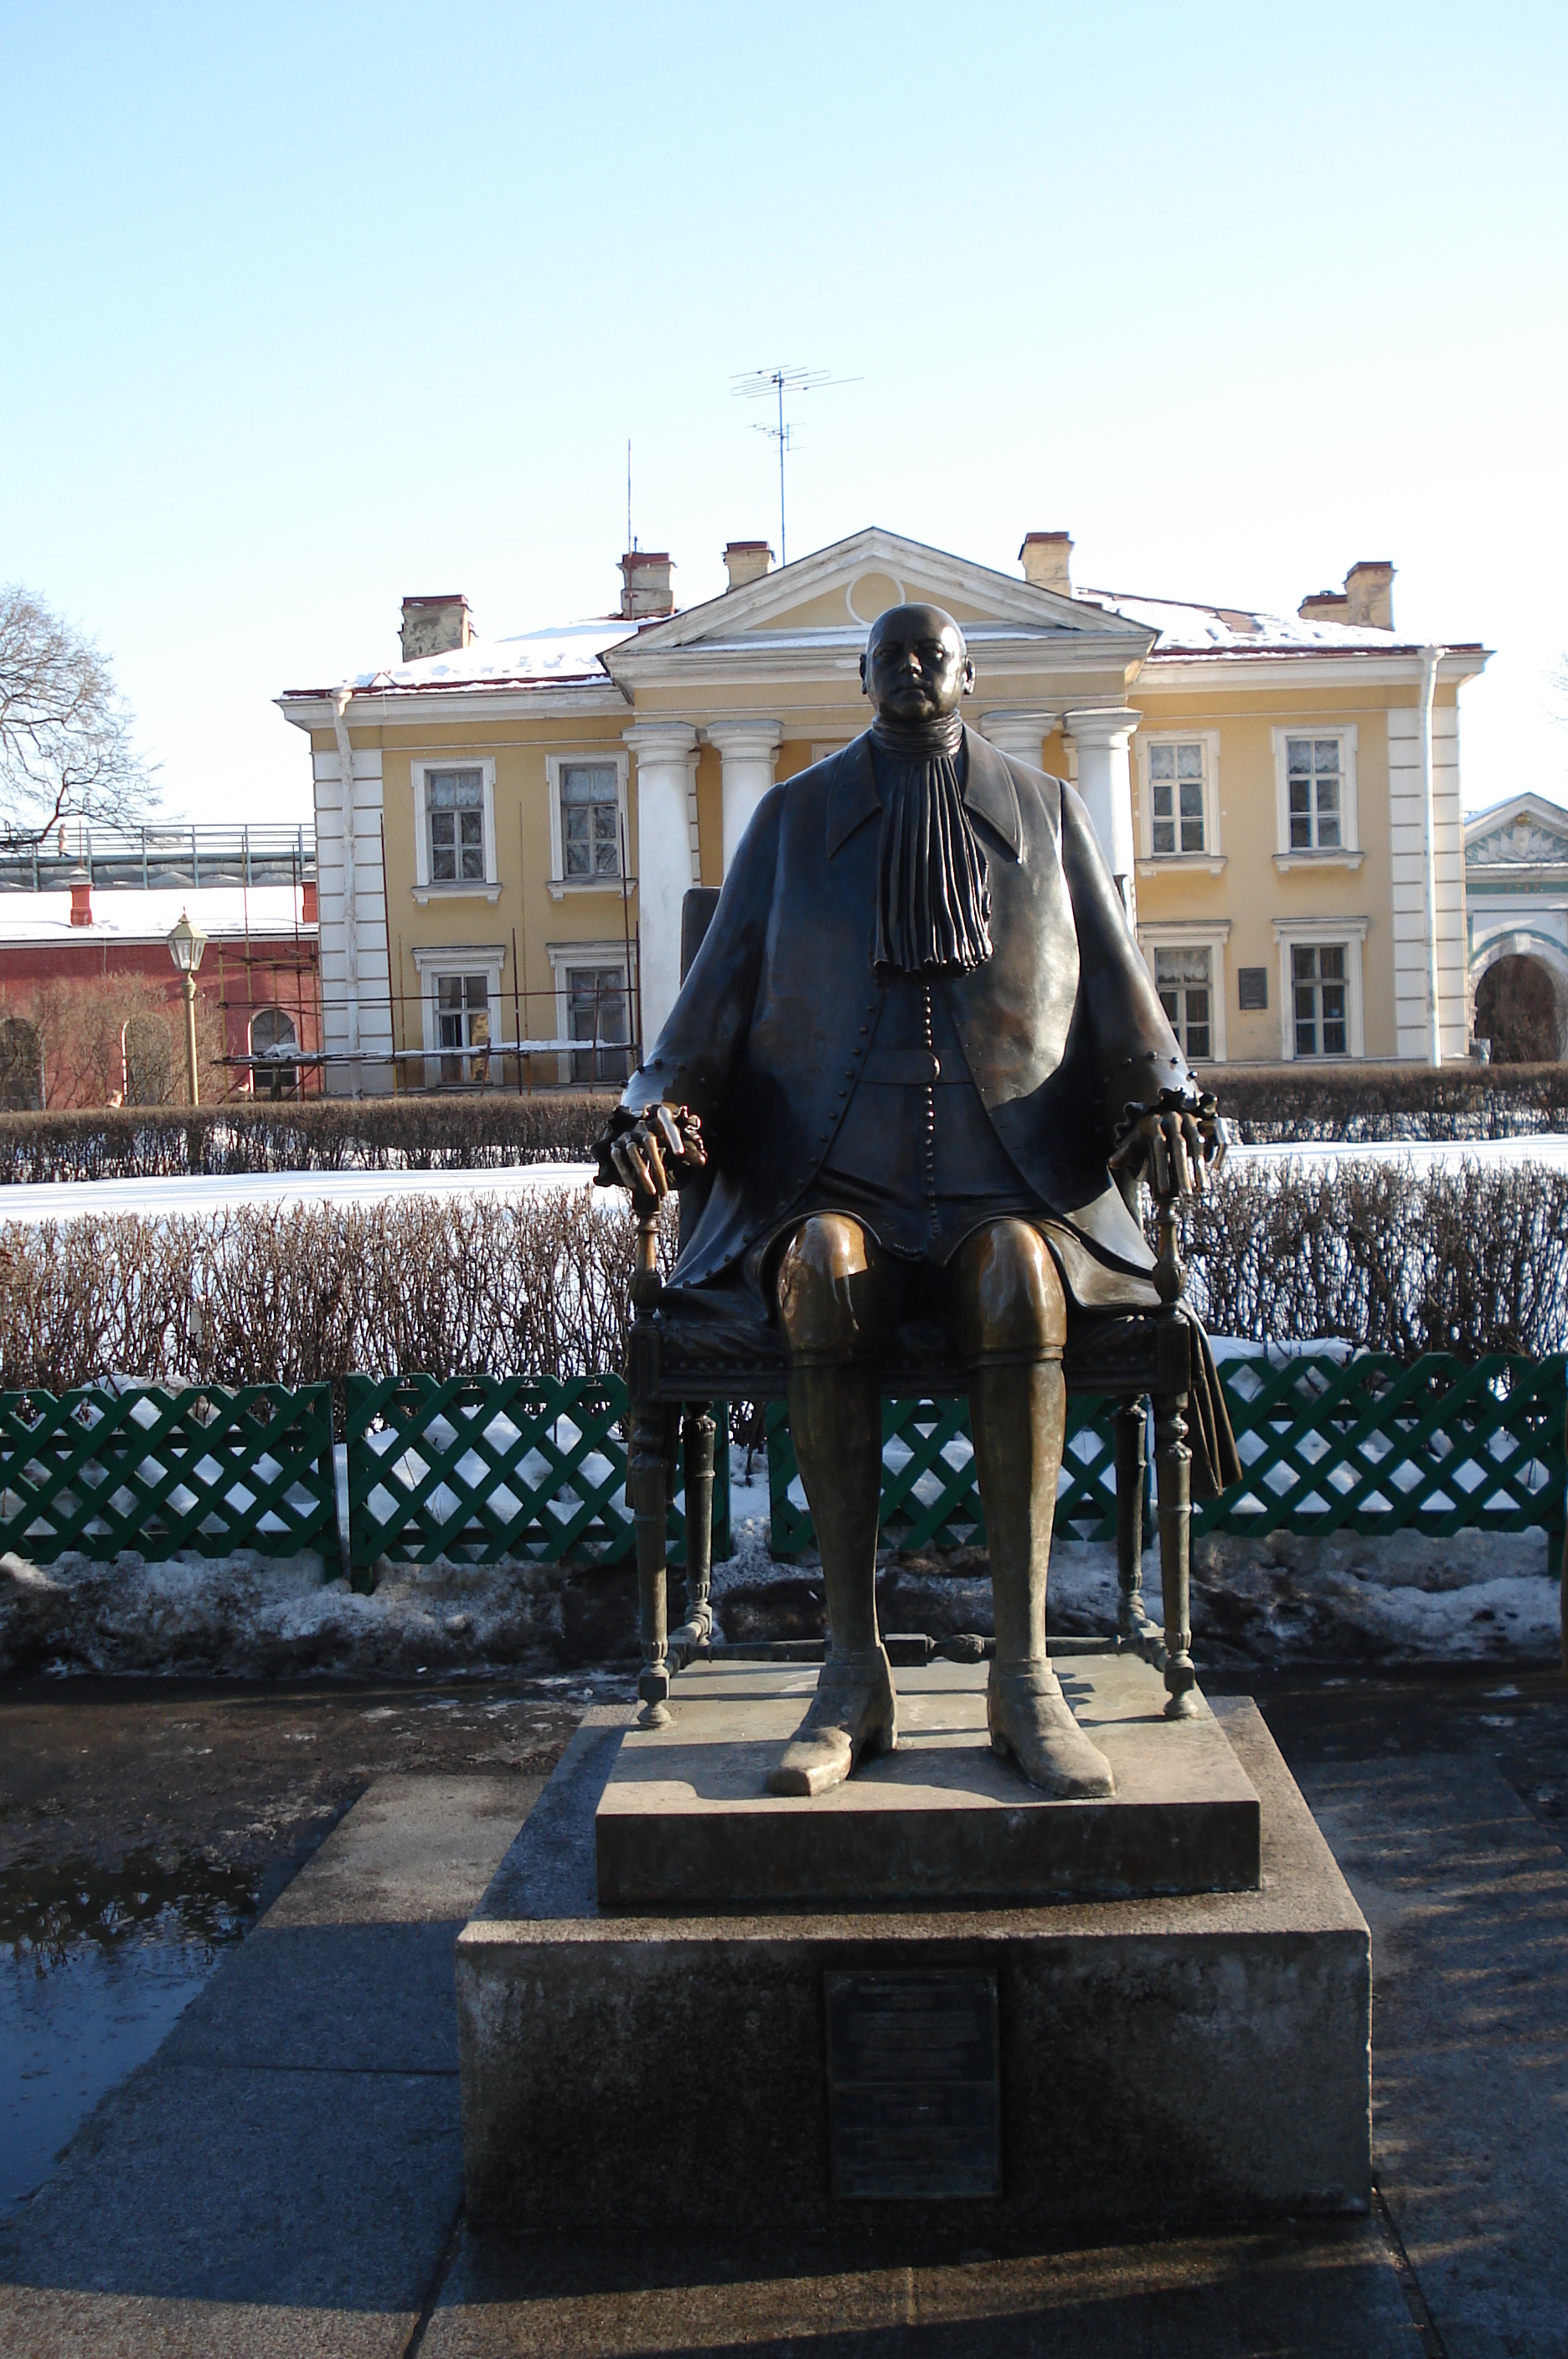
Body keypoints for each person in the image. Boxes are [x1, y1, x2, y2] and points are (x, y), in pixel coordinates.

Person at [600, 605, 1234, 1800]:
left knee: (1014, 1278)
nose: (911, 670)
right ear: (861, 676)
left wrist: (1165, 1098)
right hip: (829, 1178)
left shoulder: (1047, 814)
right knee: (825, 1274)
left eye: (931, 653)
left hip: (1017, 1182)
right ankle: (851, 1671)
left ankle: (1025, 1675)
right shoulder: (791, 822)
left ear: (969, 673)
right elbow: (704, 1013)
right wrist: (650, 1113)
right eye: (889, 654)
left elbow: (1123, 993)